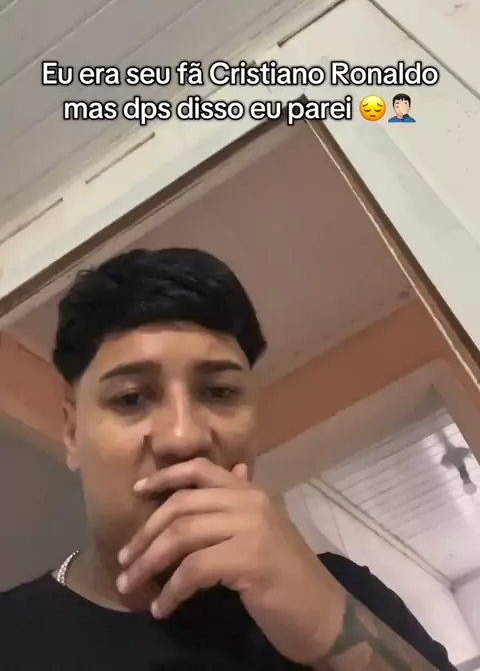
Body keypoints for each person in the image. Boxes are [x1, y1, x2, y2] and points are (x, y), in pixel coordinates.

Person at [1, 248, 455, 670]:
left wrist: (327, 628)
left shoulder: (345, 594)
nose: (183, 438)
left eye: (219, 392)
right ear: (72, 433)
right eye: (131, 397)